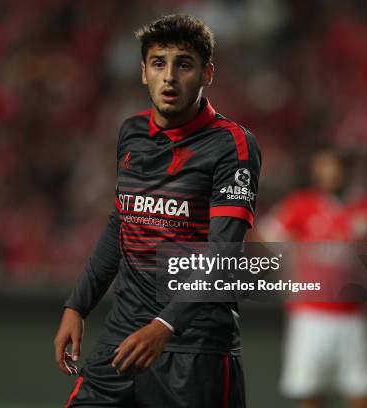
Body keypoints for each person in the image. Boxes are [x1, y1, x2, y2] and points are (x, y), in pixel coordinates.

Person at [54, 14, 261, 407]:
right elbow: (121, 223)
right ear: (143, 72)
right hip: (123, 339)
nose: (169, 77)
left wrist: (165, 325)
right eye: (158, 63)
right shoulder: (130, 133)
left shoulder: (231, 146)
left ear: (207, 74)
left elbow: (222, 255)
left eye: (183, 64)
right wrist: (77, 304)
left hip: (194, 350)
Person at [259, 149, 367, 408]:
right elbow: (267, 234)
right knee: (309, 391)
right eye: (322, 167)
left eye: (333, 166)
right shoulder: (300, 205)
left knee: (362, 390)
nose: (327, 173)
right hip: (310, 314)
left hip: (353, 314)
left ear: (346, 169)